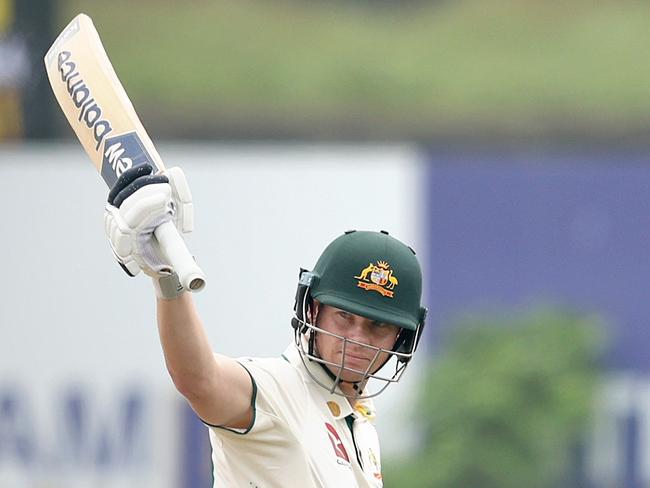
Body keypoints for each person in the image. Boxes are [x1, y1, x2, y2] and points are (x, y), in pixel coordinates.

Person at [104, 163, 427, 487]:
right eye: (344, 317)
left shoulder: (361, 423)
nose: (357, 339)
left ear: (401, 339)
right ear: (312, 310)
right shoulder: (276, 390)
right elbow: (200, 379)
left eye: (377, 327)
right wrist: (167, 278)